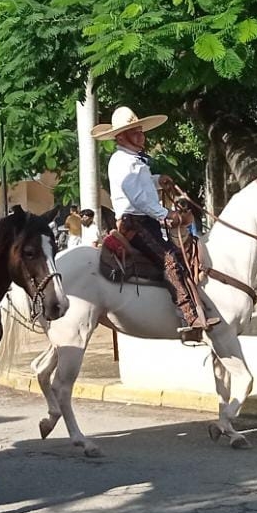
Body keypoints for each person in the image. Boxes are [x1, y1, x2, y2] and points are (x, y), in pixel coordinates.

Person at [92, 106, 214, 342]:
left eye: (140, 131)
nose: (141, 136)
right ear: (121, 137)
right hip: (135, 223)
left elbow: (144, 186)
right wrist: (166, 214)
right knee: (170, 259)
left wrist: (159, 180)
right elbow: (137, 196)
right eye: (135, 132)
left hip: (144, 221)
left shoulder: (133, 160)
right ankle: (188, 316)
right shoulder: (121, 162)